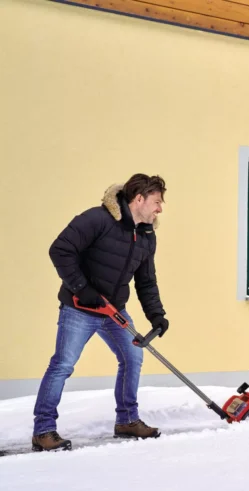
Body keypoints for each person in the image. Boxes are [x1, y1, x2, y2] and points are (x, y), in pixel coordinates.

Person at [31, 174, 170, 452]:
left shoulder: (146, 235)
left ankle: (127, 420)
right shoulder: (98, 219)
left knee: (132, 357)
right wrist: (82, 289)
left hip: (113, 310)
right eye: (157, 202)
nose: (160, 209)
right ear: (139, 199)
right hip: (80, 308)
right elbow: (60, 250)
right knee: (62, 364)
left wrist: (156, 314)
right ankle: (43, 430)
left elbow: (146, 281)